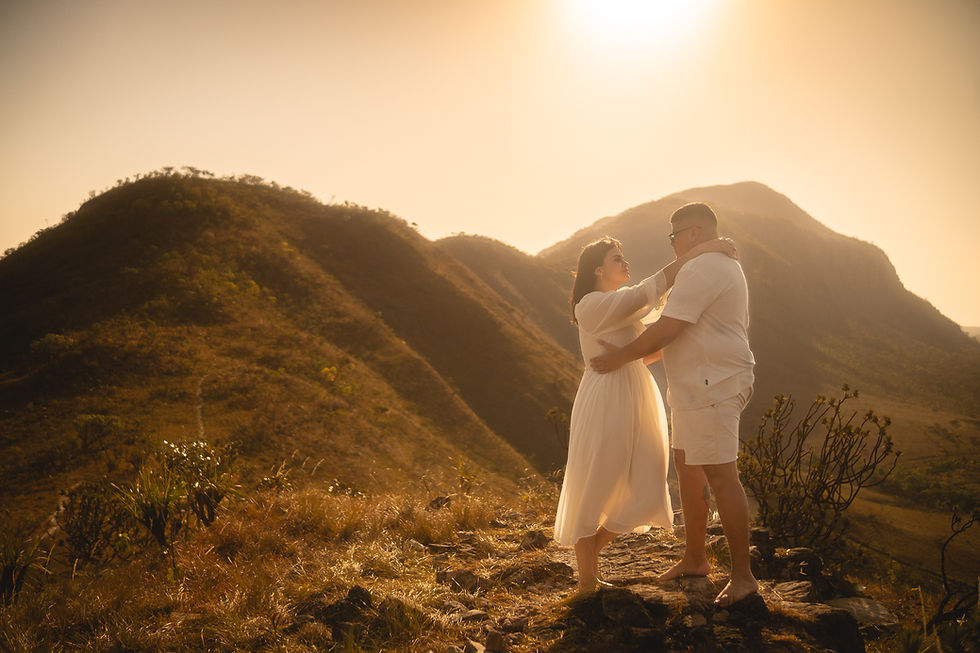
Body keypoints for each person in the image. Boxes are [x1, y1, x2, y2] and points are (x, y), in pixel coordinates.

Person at [590, 202, 758, 607]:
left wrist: (620, 357)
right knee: (688, 467)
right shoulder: (706, 265)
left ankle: (744, 578)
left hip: (713, 385)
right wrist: (633, 354)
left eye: (675, 236)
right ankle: (695, 559)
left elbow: (669, 327)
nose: (673, 243)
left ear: (695, 233)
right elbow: (678, 330)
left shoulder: (705, 268)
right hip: (695, 387)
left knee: (721, 475)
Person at [554, 232, 736, 594]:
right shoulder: (590, 305)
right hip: (606, 397)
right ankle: (587, 580)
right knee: (596, 479)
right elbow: (645, 293)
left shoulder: (615, 304)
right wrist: (702, 250)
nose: (625, 263)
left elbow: (646, 338)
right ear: (597, 269)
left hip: (635, 391)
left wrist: (676, 342)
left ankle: (589, 553)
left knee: (648, 480)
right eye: (616, 258)